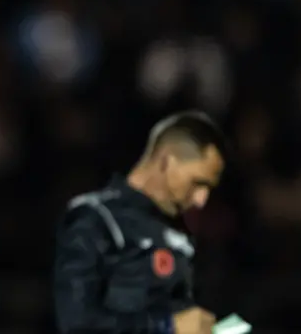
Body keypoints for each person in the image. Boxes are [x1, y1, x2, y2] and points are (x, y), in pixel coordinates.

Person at [54, 110, 227, 334]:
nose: (201, 199)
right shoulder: (96, 218)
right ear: (166, 161)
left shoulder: (179, 232)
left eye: (208, 188)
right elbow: (75, 322)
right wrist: (166, 326)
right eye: (197, 183)